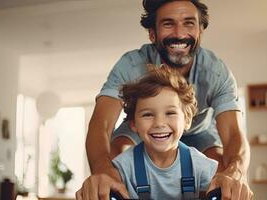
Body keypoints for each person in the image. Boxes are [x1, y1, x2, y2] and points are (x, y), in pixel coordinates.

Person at [77, 0, 253, 199]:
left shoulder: (217, 73)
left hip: (199, 130)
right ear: (153, 34)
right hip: (146, 123)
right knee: (116, 154)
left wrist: (235, 173)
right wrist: (103, 171)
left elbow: (233, 135)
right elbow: (102, 123)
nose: (179, 33)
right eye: (168, 24)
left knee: (221, 168)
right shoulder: (130, 65)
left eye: (189, 23)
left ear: (200, 31)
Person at [112, 66, 218, 199]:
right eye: (148, 114)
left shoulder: (201, 166)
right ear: (133, 124)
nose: (159, 123)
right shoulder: (123, 167)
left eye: (170, 113)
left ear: (187, 120)